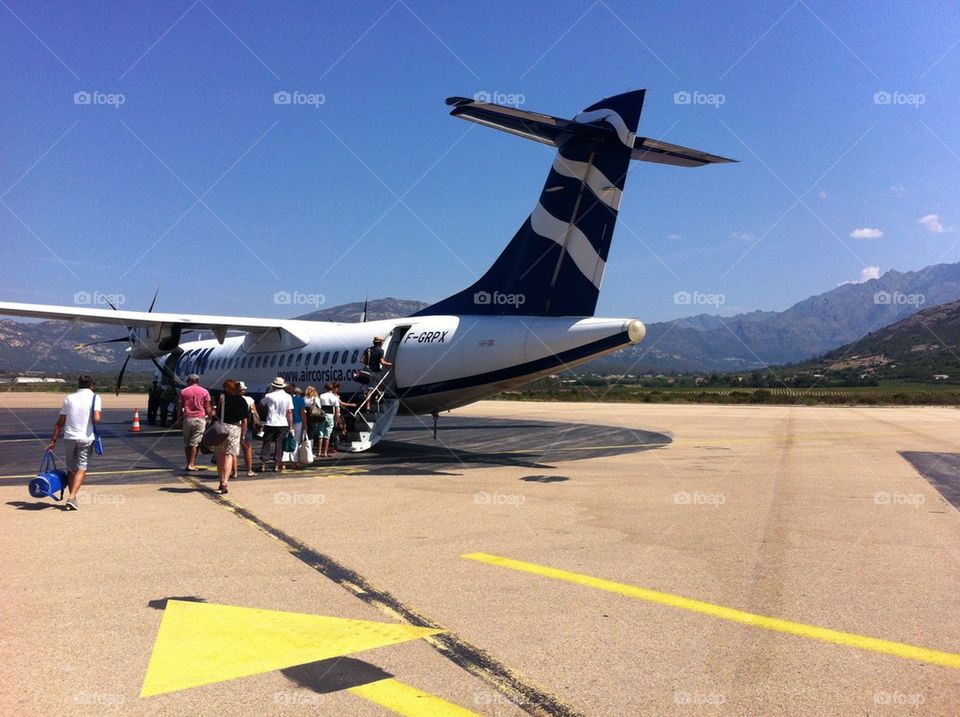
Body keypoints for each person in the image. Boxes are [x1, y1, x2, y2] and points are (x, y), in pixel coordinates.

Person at [46, 374, 102, 511]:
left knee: (71, 468)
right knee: (82, 467)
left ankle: (72, 498)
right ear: (92, 385)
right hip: (86, 438)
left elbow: (60, 422)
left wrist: (53, 440)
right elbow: (97, 419)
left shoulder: (69, 398)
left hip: (69, 437)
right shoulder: (95, 398)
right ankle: (71, 497)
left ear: (79, 384)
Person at [212, 379, 248, 494]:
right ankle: (225, 482)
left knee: (220, 456)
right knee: (229, 455)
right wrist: (243, 434)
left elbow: (216, 414)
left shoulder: (222, 398)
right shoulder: (242, 400)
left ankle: (221, 480)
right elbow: (244, 420)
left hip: (222, 428)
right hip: (235, 429)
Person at [177, 373, 212, 472]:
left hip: (187, 419)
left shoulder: (183, 391)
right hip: (199, 419)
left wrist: (178, 419)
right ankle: (191, 464)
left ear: (190, 381)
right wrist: (210, 418)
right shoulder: (204, 391)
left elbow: (179, 406)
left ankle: (189, 463)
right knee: (195, 443)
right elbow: (207, 407)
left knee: (187, 443)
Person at [259, 377, 293, 472]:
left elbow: (261, 404)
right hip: (283, 422)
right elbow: (289, 412)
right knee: (279, 443)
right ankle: (276, 465)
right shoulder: (288, 396)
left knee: (267, 442)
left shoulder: (269, 396)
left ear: (273, 386)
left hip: (271, 422)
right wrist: (290, 424)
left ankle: (263, 464)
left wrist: (265, 393)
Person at [235, 381, 259, 478]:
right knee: (248, 450)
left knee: (233, 451)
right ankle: (249, 470)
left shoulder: (231, 399)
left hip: (235, 425)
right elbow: (255, 413)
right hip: (247, 427)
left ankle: (234, 472)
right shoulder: (249, 400)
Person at [361, 336, 392, 409]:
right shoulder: (380, 351)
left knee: (369, 389)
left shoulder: (368, 350)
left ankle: (368, 405)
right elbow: (382, 362)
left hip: (367, 371)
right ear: (380, 342)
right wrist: (390, 364)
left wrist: (368, 362)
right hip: (376, 371)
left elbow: (362, 360)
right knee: (382, 384)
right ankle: (376, 397)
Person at [317, 382, 340, 458]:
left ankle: (319, 452)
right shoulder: (335, 397)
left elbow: (319, 406)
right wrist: (336, 419)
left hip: (322, 414)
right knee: (327, 434)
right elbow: (337, 410)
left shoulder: (321, 396)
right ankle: (325, 452)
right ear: (332, 389)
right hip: (330, 415)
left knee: (320, 433)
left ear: (325, 388)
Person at [302, 385, 323, 458]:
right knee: (311, 433)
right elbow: (319, 407)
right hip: (313, 416)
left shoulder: (304, 399)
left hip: (305, 416)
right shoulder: (315, 398)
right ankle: (310, 451)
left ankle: (304, 450)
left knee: (305, 432)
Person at [290, 384, 305, 465]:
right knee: (296, 441)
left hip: (288, 422)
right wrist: (305, 424)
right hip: (298, 421)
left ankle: (283, 461)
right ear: (299, 393)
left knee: (287, 440)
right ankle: (294, 460)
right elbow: (302, 413)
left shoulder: (289, 398)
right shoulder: (301, 400)